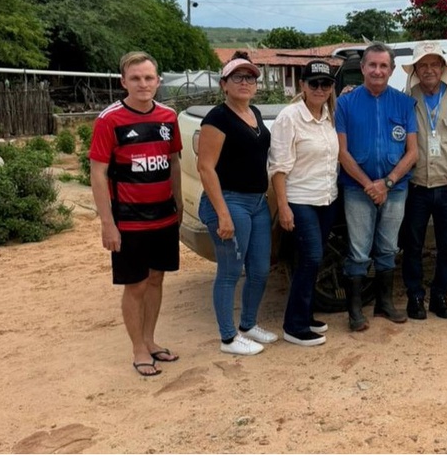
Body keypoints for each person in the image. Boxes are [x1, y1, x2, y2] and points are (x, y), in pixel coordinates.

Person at [90, 51, 183, 377]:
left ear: (158, 81)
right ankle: (138, 349)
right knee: (137, 284)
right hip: (129, 219)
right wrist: (107, 223)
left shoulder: (169, 117)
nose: (143, 84)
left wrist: (180, 203)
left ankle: (151, 340)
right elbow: (98, 173)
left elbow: (173, 162)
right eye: (135, 78)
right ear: (123, 82)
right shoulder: (109, 120)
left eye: (148, 78)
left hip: (164, 217)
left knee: (157, 279)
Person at [197, 52, 277, 356]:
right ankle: (228, 338)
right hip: (230, 202)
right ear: (224, 84)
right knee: (231, 271)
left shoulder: (254, 112)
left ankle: (248, 324)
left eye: (250, 78)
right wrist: (222, 213)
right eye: (238, 77)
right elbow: (206, 167)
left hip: (256, 203)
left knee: (260, 269)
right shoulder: (217, 118)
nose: (245, 82)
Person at [335, 42, 418, 331]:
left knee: (388, 247)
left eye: (384, 66)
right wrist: (369, 184)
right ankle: (355, 311)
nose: (378, 70)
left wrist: (388, 182)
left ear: (392, 70)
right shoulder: (345, 103)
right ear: (363, 68)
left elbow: (412, 152)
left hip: (395, 188)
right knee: (358, 250)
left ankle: (384, 304)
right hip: (358, 188)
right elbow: (342, 152)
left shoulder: (405, 103)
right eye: (372, 65)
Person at [268, 60, 339, 347]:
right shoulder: (289, 117)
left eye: (325, 84)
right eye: (314, 84)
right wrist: (283, 206)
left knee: (311, 260)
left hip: (326, 198)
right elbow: (278, 167)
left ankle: (306, 314)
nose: (320, 89)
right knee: (310, 258)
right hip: (300, 200)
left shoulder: (328, 116)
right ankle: (294, 326)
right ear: (302, 86)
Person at [399, 42, 447, 320]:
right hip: (416, 187)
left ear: (442, 68)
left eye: (434, 64)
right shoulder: (406, 98)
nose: (429, 70)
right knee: (413, 246)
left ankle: (440, 296)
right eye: (423, 65)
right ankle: (415, 297)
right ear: (416, 70)